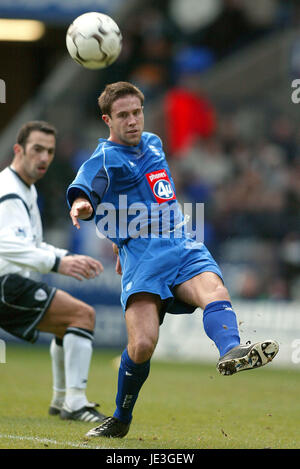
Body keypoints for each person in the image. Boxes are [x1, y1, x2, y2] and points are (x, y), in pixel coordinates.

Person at [67, 82, 279, 438]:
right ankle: (120, 417)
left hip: (180, 241)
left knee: (214, 289)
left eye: (137, 112)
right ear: (107, 119)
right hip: (142, 255)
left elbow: (148, 197)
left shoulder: (154, 143)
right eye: (123, 116)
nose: (132, 121)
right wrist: (83, 205)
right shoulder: (104, 159)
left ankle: (231, 349)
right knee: (143, 344)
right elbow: (88, 188)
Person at [0, 120, 106, 423]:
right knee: (82, 316)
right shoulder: (9, 192)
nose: (44, 158)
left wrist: (63, 255)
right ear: (18, 150)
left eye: (49, 151)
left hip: (10, 283)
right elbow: (6, 244)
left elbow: (28, 242)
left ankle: (62, 400)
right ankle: (74, 402)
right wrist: (58, 263)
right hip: (6, 284)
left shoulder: (23, 188)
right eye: (37, 150)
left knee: (67, 325)